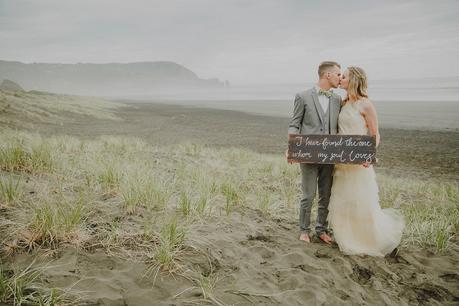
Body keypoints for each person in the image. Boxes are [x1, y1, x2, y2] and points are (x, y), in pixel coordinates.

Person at [328, 66, 404, 256]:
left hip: (359, 163)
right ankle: (345, 235)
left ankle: (366, 239)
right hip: (341, 162)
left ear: (353, 80)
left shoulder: (366, 105)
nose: (340, 79)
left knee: (360, 200)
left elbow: (375, 134)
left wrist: (369, 155)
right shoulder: (343, 103)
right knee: (342, 199)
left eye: (343, 77)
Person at [287, 61, 342, 244]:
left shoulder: (337, 100)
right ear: (327, 75)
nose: (340, 78)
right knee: (308, 195)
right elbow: (295, 124)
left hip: (330, 156)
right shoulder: (302, 96)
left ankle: (321, 229)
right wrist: (292, 147)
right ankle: (304, 230)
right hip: (308, 154)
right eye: (338, 74)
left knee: (325, 194)